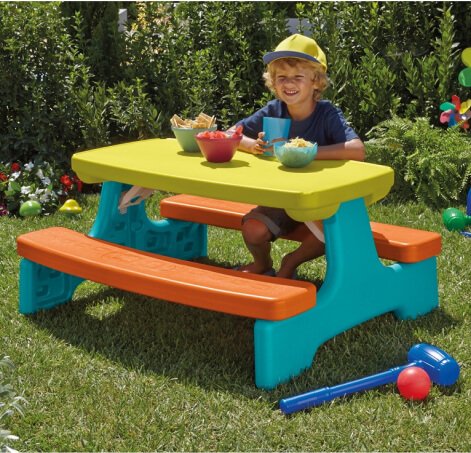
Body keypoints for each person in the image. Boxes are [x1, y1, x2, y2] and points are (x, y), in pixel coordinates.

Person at [232, 34, 365, 279]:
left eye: (298, 77)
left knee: (333, 233)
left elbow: (357, 149)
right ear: (273, 82)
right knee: (252, 229)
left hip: (320, 202)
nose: (288, 83)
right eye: (281, 77)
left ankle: (290, 262)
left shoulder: (326, 114)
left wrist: (309, 152)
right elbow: (233, 134)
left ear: (316, 81)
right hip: (281, 196)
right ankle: (261, 264)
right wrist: (253, 146)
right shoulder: (274, 110)